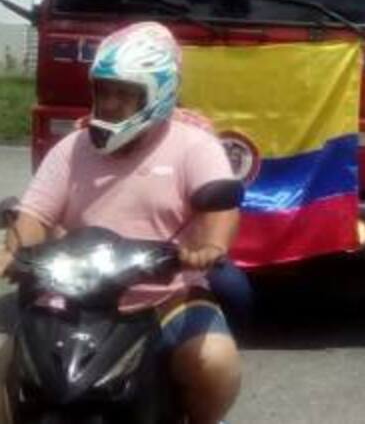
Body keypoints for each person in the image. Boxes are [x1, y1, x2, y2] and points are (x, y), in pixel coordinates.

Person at [0, 22, 242, 424]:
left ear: (157, 94)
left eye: (125, 93)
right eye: (105, 90)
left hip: (164, 296)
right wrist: (12, 250)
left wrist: (208, 249)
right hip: (67, 295)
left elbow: (219, 207)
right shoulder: (72, 147)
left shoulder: (194, 146)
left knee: (212, 362)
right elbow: (36, 216)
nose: (110, 103)